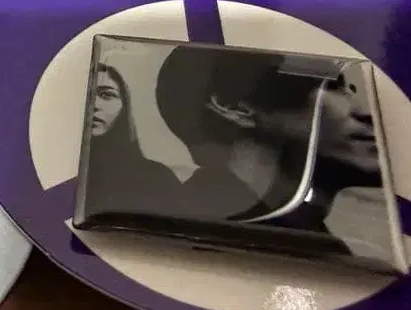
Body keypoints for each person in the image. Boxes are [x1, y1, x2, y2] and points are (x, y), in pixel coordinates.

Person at [154, 46, 384, 246]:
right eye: (333, 86)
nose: (366, 111)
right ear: (235, 108)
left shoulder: (292, 234)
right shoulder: (221, 238)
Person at [79, 63, 182, 221]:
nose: (93, 105)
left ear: (124, 105)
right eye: (86, 95)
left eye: (106, 95)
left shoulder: (158, 178)